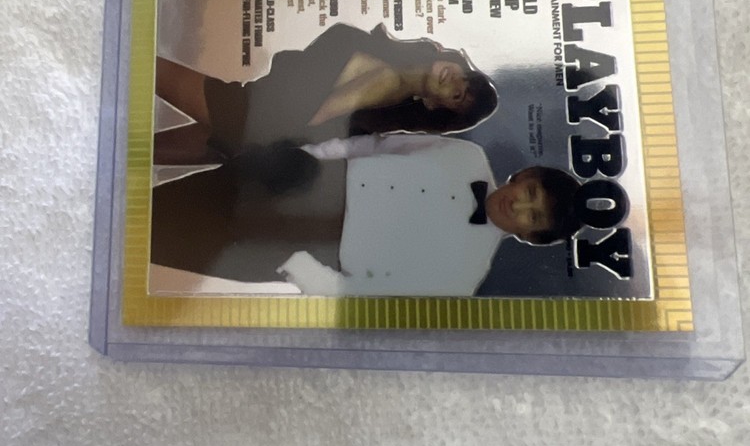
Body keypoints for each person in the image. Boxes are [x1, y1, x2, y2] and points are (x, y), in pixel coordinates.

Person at [149, 129, 582, 293]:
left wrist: (298, 264)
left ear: (529, 236)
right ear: (525, 175)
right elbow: (377, 145)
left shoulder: (465, 275)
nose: (518, 204)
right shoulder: (467, 155)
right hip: (306, 179)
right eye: (530, 192)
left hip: (306, 242)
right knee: (181, 193)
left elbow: (366, 298)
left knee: (169, 245)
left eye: (532, 216)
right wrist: (310, 156)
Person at [153, 21, 498, 167]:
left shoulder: (390, 81)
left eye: (458, 96)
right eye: (465, 80)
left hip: (251, 116)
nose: (456, 83)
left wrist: (260, 141)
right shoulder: (389, 67)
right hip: (252, 126)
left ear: (435, 105)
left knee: (141, 64)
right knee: (139, 154)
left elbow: (316, 118)